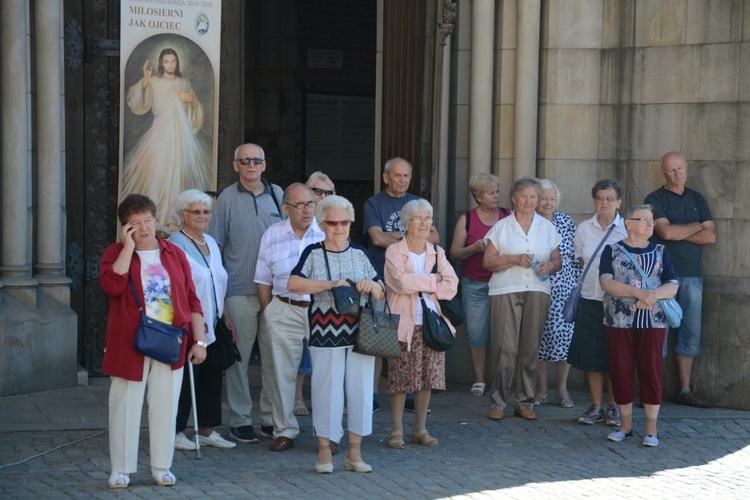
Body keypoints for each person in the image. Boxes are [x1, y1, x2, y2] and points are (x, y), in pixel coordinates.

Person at [100, 194, 206, 488]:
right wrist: (128, 248)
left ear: (155, 219)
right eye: (135, 224)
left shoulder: (174, 253)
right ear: (126, 228)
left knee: (165, 405)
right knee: (124, 404)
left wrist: (200, 342)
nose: (144, 228)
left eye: (147, 220)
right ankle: (121, 468)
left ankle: (162, 466)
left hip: (171, 340)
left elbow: (192, 299)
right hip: (129, 343)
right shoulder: (114, 253)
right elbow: (112, 285)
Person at [288, 195, 384, 474]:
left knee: (361, 389)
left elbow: (381, 291)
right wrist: (330, 284)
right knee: (325, 390)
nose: (339, 227)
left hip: (360, 331)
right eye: (332, 222)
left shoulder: (360, 253)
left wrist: (371, 285)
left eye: (344, 222)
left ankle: (354, 452)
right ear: (322, 223)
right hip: (324, 329)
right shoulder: (313, 253)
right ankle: (323, 452)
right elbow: (293, 283)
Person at [207, 143, 284, 444]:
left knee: (272, 358)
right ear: (236, 165)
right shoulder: (226, 198)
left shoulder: (279, 196)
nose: (251, 165)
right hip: (239, 289)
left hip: (276, 291)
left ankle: (269, 418)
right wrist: (219, 296)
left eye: (256, 160)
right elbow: (215, 246)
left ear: (264, 165)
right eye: (245, 161)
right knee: (238, 360)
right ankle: (240, 419)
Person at [363, 157, 439, 413]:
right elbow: (375, 237)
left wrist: (394, 237)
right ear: (386, 177)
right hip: (381, 281)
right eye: (397, 176)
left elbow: (436, 236)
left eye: (407, 176)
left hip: (414, 287)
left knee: (409, 342)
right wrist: (412, 237)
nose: (403, 180)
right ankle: (372, 395)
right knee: (377, 339)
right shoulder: (374, 203)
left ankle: (409, 396)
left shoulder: (417, 203)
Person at [483, 177, 561, 421]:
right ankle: (498, 401)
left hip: (537, 290)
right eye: (524, 196)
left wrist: (548, 266)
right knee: (505, 348)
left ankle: (525, 401)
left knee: (530, 348)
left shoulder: (547, 227)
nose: (529, 201)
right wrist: (515, 259)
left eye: (533, 197)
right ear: (514, 199)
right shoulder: (502, 227)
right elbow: (488, 261)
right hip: (505, 290)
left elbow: (557, 262)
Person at [254, 183, 326, 452]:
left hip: (320, 310)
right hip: (283, 309)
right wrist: (269, 312)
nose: (307, 210)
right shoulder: (272, 234)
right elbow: (262, 279)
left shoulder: (326, 231)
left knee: (325, 373)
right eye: (300, 205)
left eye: (311, 204)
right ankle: (284, 430)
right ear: (286, 209)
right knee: (281, 374)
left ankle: (326, 433)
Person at [600, 205, 679, 447]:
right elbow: (606, 283)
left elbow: (673, 284)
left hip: (653, 322)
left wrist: (651, 296)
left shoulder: (661, 251)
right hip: (619, 321)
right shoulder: (612, 251)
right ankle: (625, 426)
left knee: (651, 372)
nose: (649, 224)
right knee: (621, 371)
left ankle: (651, 430)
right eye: (643, 219)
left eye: (651, 220)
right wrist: (638, 293)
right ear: (628, 223)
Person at [383, 199, 458, 448]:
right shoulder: (394, 251)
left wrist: (422, 282)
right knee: (400, 379)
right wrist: (433, 280)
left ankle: (420, 429)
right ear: (406, 224)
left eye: (428, 218)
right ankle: (396, 431)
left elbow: (452, 285)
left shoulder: (437, 252)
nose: (425, 223)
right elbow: (400, 283)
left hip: (431, 325)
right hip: (403, 324)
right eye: (419, 218)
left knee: (427, 379)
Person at [645, 151, 716, 408]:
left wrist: (679, 232)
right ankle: (652, 392)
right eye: (671, 170)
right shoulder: (654, 199)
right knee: (657, 335)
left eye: (680, 168)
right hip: (661, 278)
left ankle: (685, 391)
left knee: (690, 334)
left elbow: (711, 237)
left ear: (687, 168)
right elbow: (664, 231)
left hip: (692, 276)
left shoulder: (697, 198)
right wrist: (696, 226)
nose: (677, 174)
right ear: (663, 173)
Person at [168, 190, 237, 452]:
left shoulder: (210, 241)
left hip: (215, 320)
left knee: (211, 376)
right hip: (188, 323)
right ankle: (174, 431)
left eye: (206, 211)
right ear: (182, 214)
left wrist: (226, 316)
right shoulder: (176, 242)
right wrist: (193, 320)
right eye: (195, 211)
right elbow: (177, 286)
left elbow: (217, 282)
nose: (202, 216)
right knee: (186, 378)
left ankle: (207, 430)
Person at [123, 48, 211, 229]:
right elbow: (137, 101)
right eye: (166, 61)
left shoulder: (184, 82)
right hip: (160, 132)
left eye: (173, 61)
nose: (170, 65)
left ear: (177, 63)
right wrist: (146, 78)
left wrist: (191, 100)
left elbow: (196, 109)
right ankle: (155, 215)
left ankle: (173, 216)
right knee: (158, 171)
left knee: (178, 171)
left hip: (180, 134)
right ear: (161, 64)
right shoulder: (154, 81)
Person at [567, 178, 628, 426]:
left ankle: (614, 406)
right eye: (600, 198)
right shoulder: (583, 229)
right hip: (590, 299)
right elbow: (581, 260)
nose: (605, 203)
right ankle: (596, 406)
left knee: (616, 356)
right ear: (594, 200)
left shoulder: (627, 229)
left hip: (617, 303)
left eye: (610, 198)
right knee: (591, 357)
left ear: (619, 202)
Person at [450, 173, 510, 396]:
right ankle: (479, 379)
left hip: (503, 283)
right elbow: (454, 253)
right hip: (474, 284)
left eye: (497, 191)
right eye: (491, 192)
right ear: (478, 196)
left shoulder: (507, 215)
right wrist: (473, 248)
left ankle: (502, 378)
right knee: (476, 333)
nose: (496, 196)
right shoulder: (467, 218)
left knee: (505, 334)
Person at [293, 171, 337, 417]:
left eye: (327, 192)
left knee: (324, 353)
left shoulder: (333, 225)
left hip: (326, 300)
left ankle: (327, 400)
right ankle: (298, 397)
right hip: (298, 298)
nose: (322, 196)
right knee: (301, 354)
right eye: (317, 191)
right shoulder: (296, 222)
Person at [533, 179, 579, 408]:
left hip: (564, 288)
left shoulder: (566, 221)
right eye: (543, 198)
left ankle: (562, 388)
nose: (548, 203)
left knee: (564, 339)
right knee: (540, 338)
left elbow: (574, 254)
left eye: (552, 199)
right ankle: (541, 389)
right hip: (537, 285)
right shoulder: (529, 222)